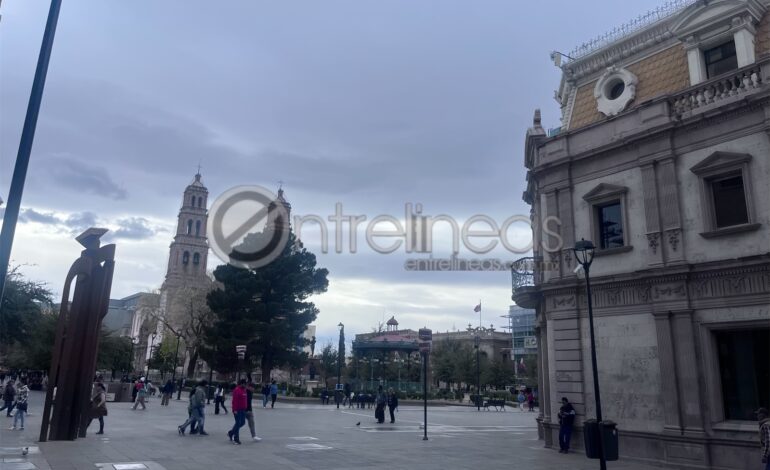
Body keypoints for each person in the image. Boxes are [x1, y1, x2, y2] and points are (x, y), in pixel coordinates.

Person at [228, 379, 248, 445]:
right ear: (241, 384)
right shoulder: (237, 390)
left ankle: (231, 433)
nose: (245, 385)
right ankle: (236, 439)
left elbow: (245, 400)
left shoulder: (244, 390)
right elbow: (235, 401)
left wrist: (246, 408)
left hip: (243, 409)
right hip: (237, 410)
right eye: (244, 384)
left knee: (242, 422)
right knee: (238, 423)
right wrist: (235, 410)